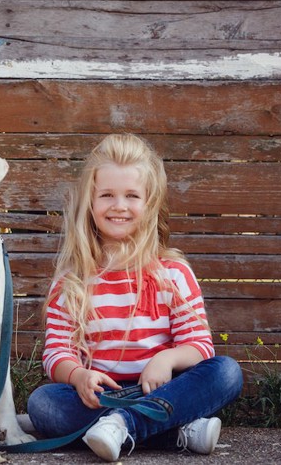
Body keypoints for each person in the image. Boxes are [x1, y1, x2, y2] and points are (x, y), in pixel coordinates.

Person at [27, 134, 243, 462]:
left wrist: (166, 360)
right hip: (102, 397)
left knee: (226, 372)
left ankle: (123, 424)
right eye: (107, 195)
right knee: (43, 404)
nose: (119, 206)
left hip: (163, 388)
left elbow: (200, 347)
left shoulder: (172, 272)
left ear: (149, 202)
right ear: (90, 201)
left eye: (132, 195)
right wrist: (77, 375)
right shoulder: (72, 280)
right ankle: (176, 431)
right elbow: (57, 352)